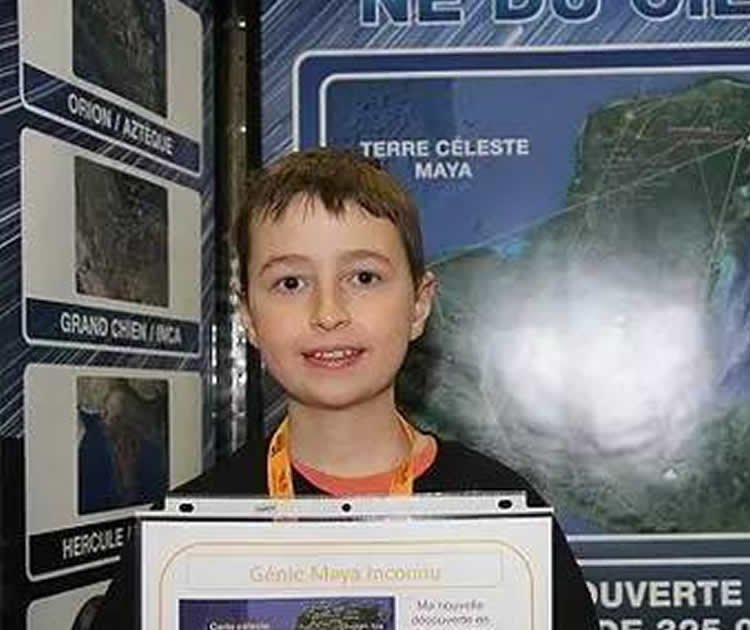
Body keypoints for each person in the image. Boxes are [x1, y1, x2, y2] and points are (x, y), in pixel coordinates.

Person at [93, 148, 599, 628]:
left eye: (363, 277)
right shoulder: (186, 536)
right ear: (249, 317)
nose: (328, 313)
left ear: (419, 304)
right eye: (291, 283)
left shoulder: (503, 517)